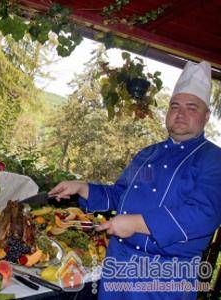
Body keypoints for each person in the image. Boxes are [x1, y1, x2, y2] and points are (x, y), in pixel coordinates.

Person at [49, 60, 221, 299]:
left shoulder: (214, 160)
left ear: (206, 116)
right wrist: (83, 188)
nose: (180, 114)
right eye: (174, 106)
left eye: (192, 107)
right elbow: (122, 194)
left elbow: (205, 213)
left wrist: (137, 224)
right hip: (118, 265)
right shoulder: (148, 154)